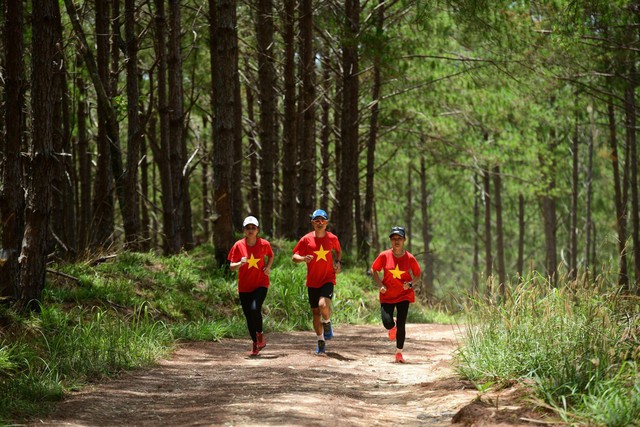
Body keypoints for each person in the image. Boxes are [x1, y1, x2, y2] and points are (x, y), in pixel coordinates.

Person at [292, 209, 342, 355]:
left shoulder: (332, 238)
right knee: (315, 313)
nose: (320, 223)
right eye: (317, 221)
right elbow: (294, 256)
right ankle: (320, 341)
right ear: (313, 223)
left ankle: (327, 322)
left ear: (326, 223)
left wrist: (338, 262)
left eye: (323, 221)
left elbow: (338, 251)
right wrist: (302, 258)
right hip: (312, 281)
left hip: (327, 278)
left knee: (323, 305)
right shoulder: (306, 239)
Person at [371, 226, 421, 363]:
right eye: (393, 239)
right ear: (390, 241)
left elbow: (418, 274)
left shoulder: (409, 258)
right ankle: (392, 325)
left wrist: (410, 284)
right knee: (387, 323)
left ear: (404, 240)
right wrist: (380, 284)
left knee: (402, 324)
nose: (396, 241)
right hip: (387, 295)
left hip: (403, 295)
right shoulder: (384, 255)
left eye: (399, 238)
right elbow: (374, 269)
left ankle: (399, 353)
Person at [228, 216, 274, 356]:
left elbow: (270, 256)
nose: (250, 230)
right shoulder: (238, 245)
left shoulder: (264, 244)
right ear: (244, 230)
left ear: (257, 230)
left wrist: (268, 267)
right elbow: (231, 267)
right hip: (245, 286)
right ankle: (255, 343)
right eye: (248, 228)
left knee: (255, 308)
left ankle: (259, 334)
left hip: (261, 283)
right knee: (248, 316)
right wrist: (240, 263)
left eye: (253, 228)